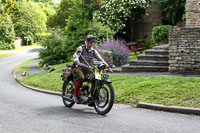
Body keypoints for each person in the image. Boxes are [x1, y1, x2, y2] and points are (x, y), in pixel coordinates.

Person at [72, 35, 110, 103]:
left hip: (86, 68)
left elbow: (100, 59)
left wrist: (106, 65)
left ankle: (93, 96)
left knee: (95, 78)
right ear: (86, 42)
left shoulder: (93, 51)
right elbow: (76, 56)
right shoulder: (81, 48)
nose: (92, 44)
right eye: (90, 42)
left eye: (93, 42)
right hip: (77, 67)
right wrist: (78, 63)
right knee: (81, 77)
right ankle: (75, 95)